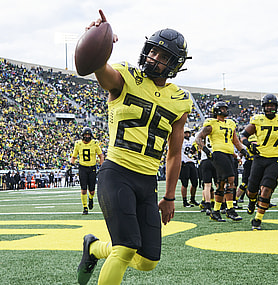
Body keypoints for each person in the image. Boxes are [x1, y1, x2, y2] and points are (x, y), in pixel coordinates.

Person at [76, 10, 192, 285]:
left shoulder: (180, 99)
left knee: (148, 260)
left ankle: (93, 248)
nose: (154, 58)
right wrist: (98, 45)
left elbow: (174, 152)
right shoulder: (126, 76)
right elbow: (101, 72)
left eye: (164, 57)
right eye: (153, 51)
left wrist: (170, 195)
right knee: (126, 246)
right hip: (117, 172)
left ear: (175, 64)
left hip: (147, 180)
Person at [240, 94, 278, 230]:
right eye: (267, 106)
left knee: (266, 189)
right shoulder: (257, 120)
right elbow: (243, 136)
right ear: (263, 107)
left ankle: (258, 219)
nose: (270, 108)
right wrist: (248, 144)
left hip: (276, 159)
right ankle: (252, 201)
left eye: (272, 106)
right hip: (259, 158)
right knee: (251, 190)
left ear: (276, 107)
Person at [195, 101, 248, 222]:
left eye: (225, 108)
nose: (224, 110)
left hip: (229, 154)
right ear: (217, 110)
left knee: (222, 182)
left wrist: (243, 151)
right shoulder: (211, 123)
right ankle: (229, 209)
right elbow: (199, 137)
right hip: (218, 153)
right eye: (222, 109)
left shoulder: (231, 123)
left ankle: (216, 211)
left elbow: (235, 141)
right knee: (231, 179)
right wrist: (205, 149)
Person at [70, 126, 105, 215]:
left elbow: (101, 155)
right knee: (83, 189)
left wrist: (101, 164)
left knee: (92, 191)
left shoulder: (95, 143)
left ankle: (90, 198)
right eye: (85, 134)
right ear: (82, 135)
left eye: (89, 134)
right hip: (82, 168)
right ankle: (85, 207)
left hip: (92, 168)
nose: (87, 136)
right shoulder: (78, 144)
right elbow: (74, 156)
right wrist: (71, 164)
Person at [179, 126, 200, 207]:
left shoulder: (192, 139)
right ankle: (184, 201)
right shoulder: (180, 140)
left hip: (192, 163)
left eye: (188, 132)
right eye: (185, 133)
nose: (187, 134)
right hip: (184, 163)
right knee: (185, 183)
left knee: (195, 182)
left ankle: (192, 199)